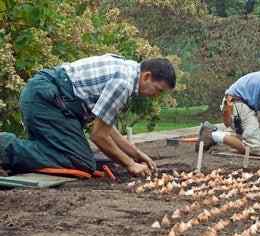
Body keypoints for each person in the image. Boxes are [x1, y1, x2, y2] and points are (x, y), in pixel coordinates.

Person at [0, 54, 176, 177]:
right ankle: (5, 146)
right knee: (81, 162)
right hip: (46, 100)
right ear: (146, 76)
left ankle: (14, 154)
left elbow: (106, 126)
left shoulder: (127, 69)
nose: (156, 96)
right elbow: (99, 136)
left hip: (46, 96)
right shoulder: (123, 84)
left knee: (69, 154)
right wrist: (130, 164)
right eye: (158, 90)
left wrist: (136, 154)